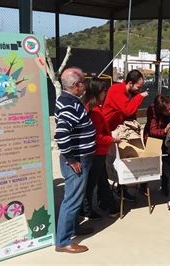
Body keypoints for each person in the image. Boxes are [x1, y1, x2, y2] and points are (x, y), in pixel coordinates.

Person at [54, 67, 96, 253]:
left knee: (76, 198)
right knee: (71, 200)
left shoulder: (69, 100)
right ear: (75, 85)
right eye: (83, 82)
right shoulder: (70, 104)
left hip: (80, 157)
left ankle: (72, 228)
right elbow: (61, 135)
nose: (85, 85)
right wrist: (71, 159)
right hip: (76, 160)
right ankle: (63, 241)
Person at [103, 69, 149, 201]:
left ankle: (121, 189)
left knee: (123, 160)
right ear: (130, 83)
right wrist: (140, 97)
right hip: (109, 130)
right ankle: (110, 194)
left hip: (119, 129)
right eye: (138, 87)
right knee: (111, 163)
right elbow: (127, 109)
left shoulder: (129, 92)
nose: (139, 90)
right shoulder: (117, 90)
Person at [81, 78, 120, 219]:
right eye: (105, 91)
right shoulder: (94, 112)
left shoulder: (91, 106)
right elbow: (97, 137)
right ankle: (86, 210)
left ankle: (105, 204)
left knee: (100, 180)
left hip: (96, 152)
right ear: (99, 92)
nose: (106, 94)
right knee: (92, 183)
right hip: (97, 153)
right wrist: (112, 139)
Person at [143, 95, 170, 196]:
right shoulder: (152, 109)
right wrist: (164, 130)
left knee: (167, 159)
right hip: (153, 135)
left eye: (169, 109)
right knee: (149, 159)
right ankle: (144, 185)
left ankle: (165, 186)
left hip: (168, 135)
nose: (169, 112)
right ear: (160, 110)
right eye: (166, 111)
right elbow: (152, 130)